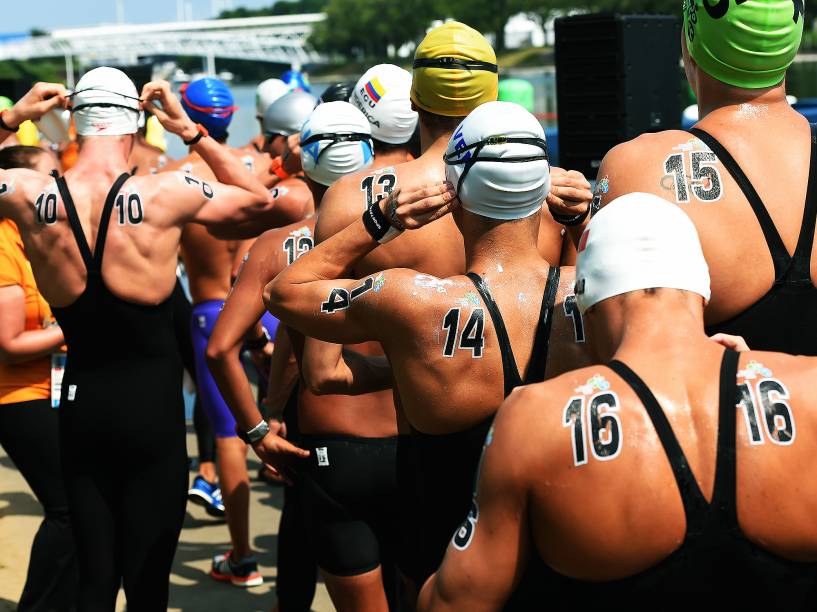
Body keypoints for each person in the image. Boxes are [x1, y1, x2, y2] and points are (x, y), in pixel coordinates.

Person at [419, 192, 817, 610]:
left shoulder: (534, 419)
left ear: (585, 304)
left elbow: (453, 603)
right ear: (702, 289)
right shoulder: (808, 388)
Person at [265, 101, 593, 593]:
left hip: (443, 564)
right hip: (556, 555)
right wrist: (579, 226)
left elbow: (284, 292)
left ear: (455, 194)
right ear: (541, 190)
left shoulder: (412, 302)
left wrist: (377, 222)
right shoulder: (595, 298)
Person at [0, 68, 275, 608]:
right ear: (134, 122)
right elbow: (259, 200)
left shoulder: (31, 193)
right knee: (148, 587)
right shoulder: (168, 191)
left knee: (95, 583)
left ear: (75, 124)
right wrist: (189, 131)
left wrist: (12, 118)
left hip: (81, 409)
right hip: (152, 415)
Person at [210, 100, 405, 612]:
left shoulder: (279, 245)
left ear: (306, 163)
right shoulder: (415, 234)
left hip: (333, 454)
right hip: (412, 440)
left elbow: (220, 348)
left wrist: (259, 427)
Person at [562, 0, 817, 355]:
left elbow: (608, 339)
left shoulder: (636, 167)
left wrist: (579, 227)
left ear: (689, 41)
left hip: (715, 409)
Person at [163, 76, 294, 588]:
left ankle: (243, 556)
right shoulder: (259, 170)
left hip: (212, 313)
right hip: (265, 308)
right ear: (232, 115)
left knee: (230, 436)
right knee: (280, 415)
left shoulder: (172, 179)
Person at [0, 145, 77, 611]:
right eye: (51, 178)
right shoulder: (3, 243)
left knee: (83, 509)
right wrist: (76, 326)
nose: (60, 187)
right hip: (16, 393)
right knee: (67, 509)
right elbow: (8, 344)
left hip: (55, 387)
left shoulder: (40, 234)